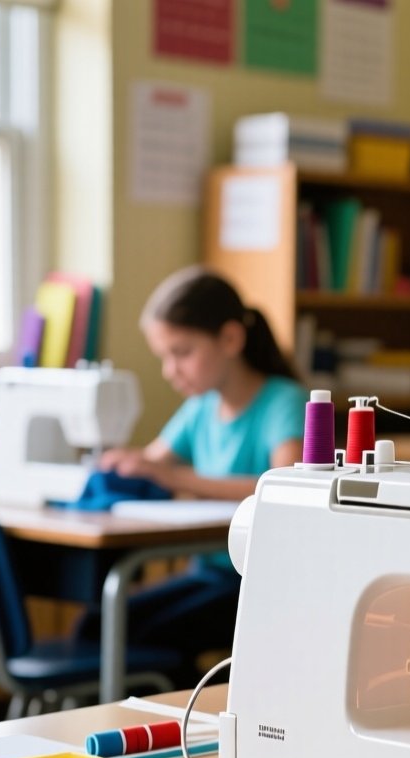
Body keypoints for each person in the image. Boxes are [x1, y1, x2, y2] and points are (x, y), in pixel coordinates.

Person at [81, 266, 308, 685]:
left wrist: (175, 477)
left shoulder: (283, 402)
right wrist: (122, 463)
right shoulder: (202, 407)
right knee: (95, 626)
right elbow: (152, 462)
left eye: (181, 352)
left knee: (140, 634)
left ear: (230, 339)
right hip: (207, 572)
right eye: (164, 356)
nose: (170, 370)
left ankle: (186, 713)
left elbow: (284, 486)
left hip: (256, 585)